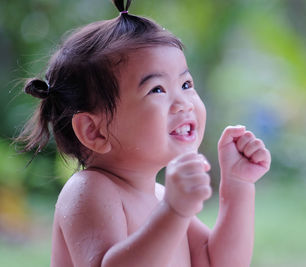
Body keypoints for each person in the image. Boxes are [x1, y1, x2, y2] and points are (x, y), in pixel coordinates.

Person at [16, 0, 271, 266]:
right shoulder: (90, 190)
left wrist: (238, 186)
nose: (183, 102)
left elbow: (216, 261)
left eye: (186, 84)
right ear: (94, 131)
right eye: (157, 89)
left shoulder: (159, 195)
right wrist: (173, 212)